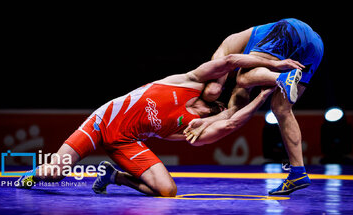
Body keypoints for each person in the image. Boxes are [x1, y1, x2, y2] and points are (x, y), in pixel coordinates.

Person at [16, 54, 300, 197]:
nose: (216, 85)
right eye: (216, 83)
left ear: (221, 104)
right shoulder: (187, 81)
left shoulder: (197, 123)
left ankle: (114, 177)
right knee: (54, 172)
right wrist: (275, 66)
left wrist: (263, 96)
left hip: (126, 143)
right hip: (102, 121)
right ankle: (31, 175)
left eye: (219, 89)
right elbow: (229, 60)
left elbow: (232, 121)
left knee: (168, 191)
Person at [199, 18, 324, 195]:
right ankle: (298, 173)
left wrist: (199, 106)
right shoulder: (237, 74)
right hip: (315, 45)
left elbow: (213, 90)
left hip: (290, 29)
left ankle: (280, 78)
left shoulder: (227, 48)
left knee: (242, 78)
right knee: (281, 109)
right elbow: (235, 113)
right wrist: (206, 122)